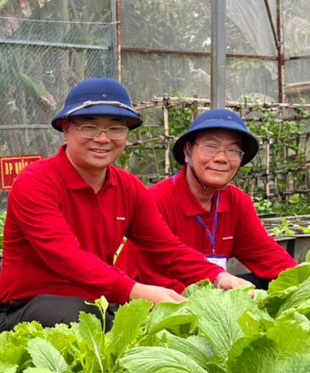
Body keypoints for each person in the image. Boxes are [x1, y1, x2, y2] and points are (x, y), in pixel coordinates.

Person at [0, 78, 253, 331]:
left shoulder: (128, 187)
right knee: (88, 319)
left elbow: (166, 248)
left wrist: (219, 278)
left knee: (150, 328)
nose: (103, 138)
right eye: (90, 127)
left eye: (116, 128)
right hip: (28, 307)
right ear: (66, 128)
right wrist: (135, 290)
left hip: (97, 302)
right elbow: (64, 256)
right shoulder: (36, 181)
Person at [120, 108, 297, 293]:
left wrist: (308, 279)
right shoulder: (156, 200)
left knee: (269, 286)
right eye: (211, 146)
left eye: (233, 150)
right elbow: (149, 278)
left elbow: (265, 254)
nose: (221, 158)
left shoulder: (237, 202)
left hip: (208, 295)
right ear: (188, 150)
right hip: (154, 304)